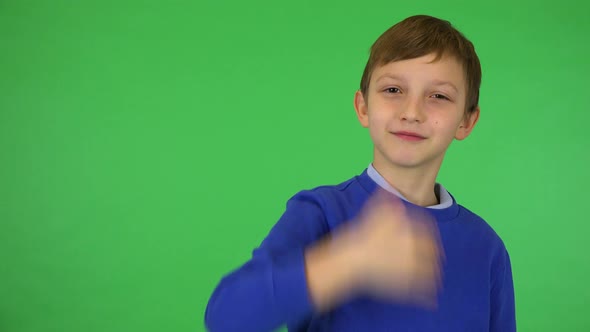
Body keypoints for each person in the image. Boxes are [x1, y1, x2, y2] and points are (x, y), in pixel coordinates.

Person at [205, 14, 516, 332]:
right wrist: (349, 261)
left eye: (438, 96)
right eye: (393, 89)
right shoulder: (320, 213)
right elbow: (225, 316)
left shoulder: (488, 248)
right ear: (363, 107)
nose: (412, 112)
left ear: (466, 121)